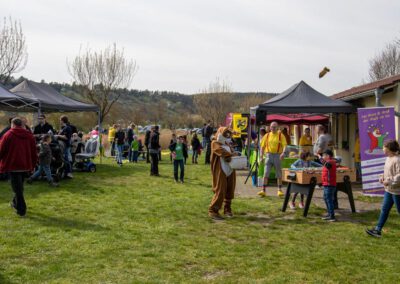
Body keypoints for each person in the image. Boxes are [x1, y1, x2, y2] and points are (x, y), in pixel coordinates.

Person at [0, 117, 37, 216]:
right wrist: (33, 165)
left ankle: (21, 210)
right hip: (25, 165)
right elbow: (34, 152)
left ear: (12, 124)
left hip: (13, 166)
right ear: (21, 124)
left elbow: (1, 150)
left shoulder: (8, 135)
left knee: (17, 189)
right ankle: (15, 203)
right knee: (19, 188)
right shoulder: (29, 135)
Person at [366, 140, 400, 238]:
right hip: (389, 190)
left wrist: (389, 181)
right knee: (384, 210)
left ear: (389, 148)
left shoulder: (397, 159)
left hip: (397, 191)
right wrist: (382, 177)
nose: (382, 149)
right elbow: (388, 172)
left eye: (383, 147)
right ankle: (377, 230)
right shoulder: (388, 158)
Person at [208, 127, 237, 220]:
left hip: (230, 169)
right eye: (226, 135)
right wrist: (230, 155)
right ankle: (213, 210)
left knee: (230, 189)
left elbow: (230, 152)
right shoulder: (214, 143)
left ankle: (227, 209)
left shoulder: (228, 144)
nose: (228, 137)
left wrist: (234, 153)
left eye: (229, 135)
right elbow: (220, 151)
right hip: (221, 170)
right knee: (220, 190)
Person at [259, 121, 287, 197]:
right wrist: (261, 156)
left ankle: (279, 190)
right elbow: (262, 147)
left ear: (277, 127)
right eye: (272, 127)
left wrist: (283, 153)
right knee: (265, 173)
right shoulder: (267, 135)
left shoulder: (281, 135)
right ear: (270, 127)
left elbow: (284, 145)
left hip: (277, 156)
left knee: (278, 173)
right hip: (268, 155)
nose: (273, 128)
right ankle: (263, 190)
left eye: (275, 127)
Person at [321, 149, 337, 222]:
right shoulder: (328, 161)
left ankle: (332, 216)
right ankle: (329, 214)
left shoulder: (331, 161)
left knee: (329, 199)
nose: (323, 156)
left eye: (324, 155)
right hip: (326, 184)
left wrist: (319, 157)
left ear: (328, 156)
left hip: (329, 184)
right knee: (326, 198)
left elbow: (328, 165)